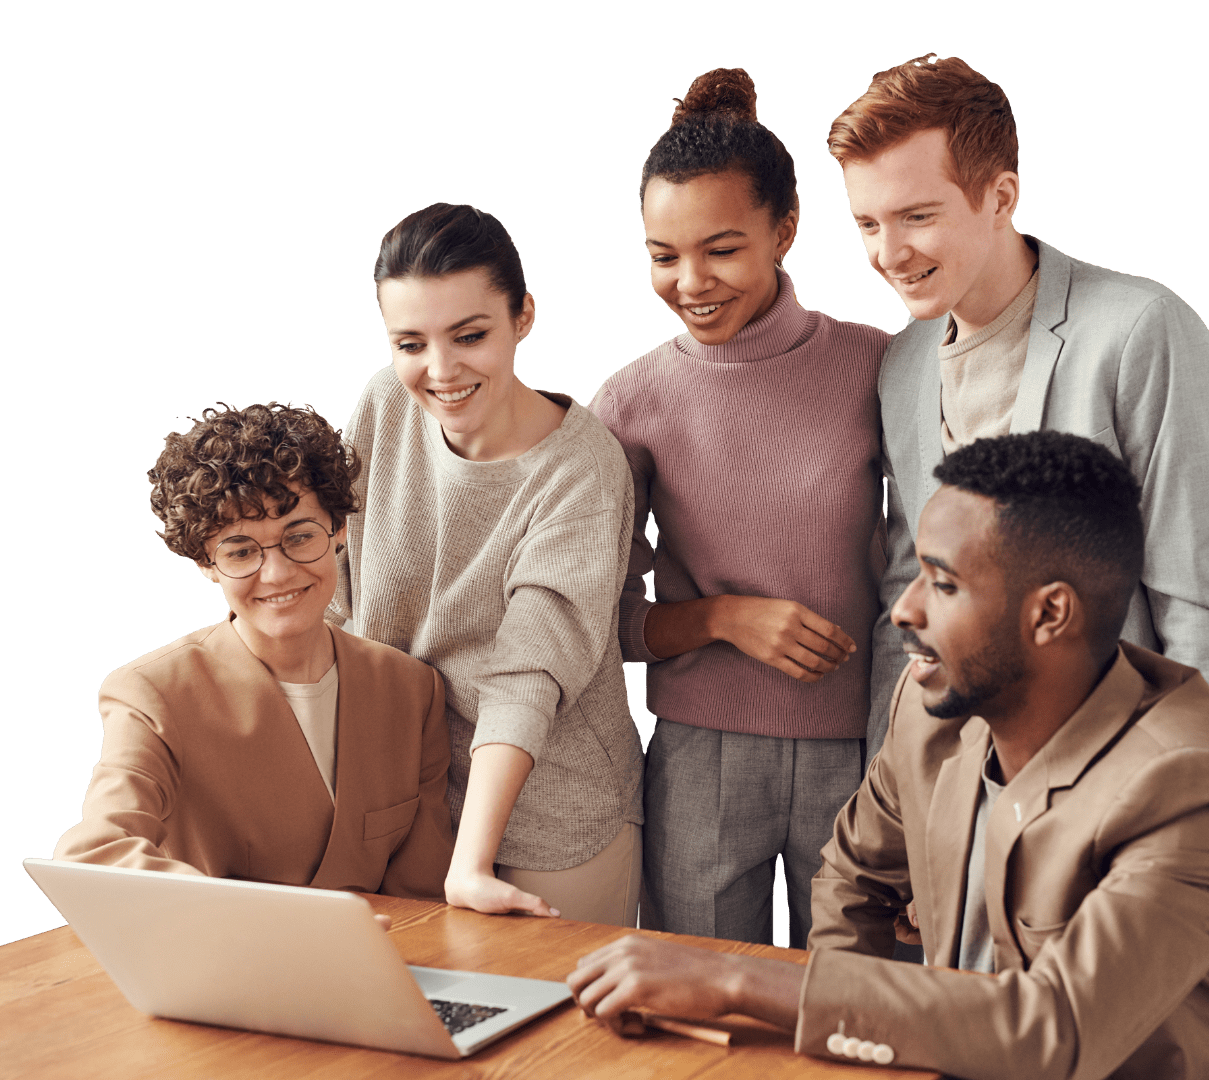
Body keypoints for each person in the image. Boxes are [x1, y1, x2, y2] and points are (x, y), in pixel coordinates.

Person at [568, 431, 1209, 1079]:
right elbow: (854, 877)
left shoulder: (1189, 787)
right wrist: (839, 1052)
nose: (904, 610)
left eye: (943, 583)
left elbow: (1055, 1028)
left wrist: (737, 980)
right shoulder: (932, 707)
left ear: (1050, 613)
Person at [828, 53, 1209, 947]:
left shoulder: (1141, 330)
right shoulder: (903, 366)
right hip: (970, 808)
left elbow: (1201, 604)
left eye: (918, 216)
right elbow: (910, 612)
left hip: (1131, 794)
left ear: (1000, 195)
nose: (889, 253)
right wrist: (910, 831)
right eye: (868, 223)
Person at [589, 67, 890, 946]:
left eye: (721, 249)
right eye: (663, 255)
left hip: (867, 752)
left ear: (785, 229)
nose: (691, 281)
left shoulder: (883, 366)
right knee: (699, 1009)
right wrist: (723, 618)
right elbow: (599, 622)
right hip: (697, 757)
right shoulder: (629, 402)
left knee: (862, 1000)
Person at [328, 202, 643, 926]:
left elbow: (530, 667)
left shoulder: (582, 466)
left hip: (553, 811)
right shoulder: (384, 405)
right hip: (407, 796)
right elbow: (337, 593)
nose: (441, 371)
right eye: (411, 343)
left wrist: (470, 861)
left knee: (550, 1002)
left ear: (523, 316)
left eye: (470, 335)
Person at [56, 403, 455, 901]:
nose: (278, 574)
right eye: (242, 551)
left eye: (299, 537)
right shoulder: (152, 693)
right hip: (222, 949)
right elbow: (97, 855)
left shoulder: (413, 690)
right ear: (206, 562)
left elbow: (422, 892)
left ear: (339, 529)